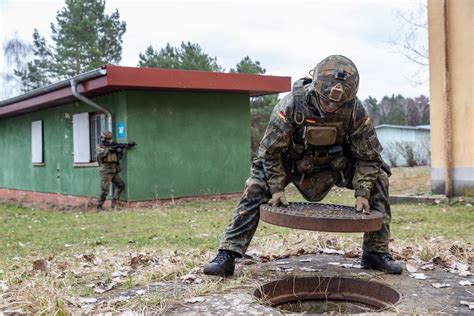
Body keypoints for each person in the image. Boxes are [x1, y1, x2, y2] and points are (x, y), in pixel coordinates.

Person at [203, 55, 402, 277]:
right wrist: (277, 187)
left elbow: (368, 157)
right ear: (315, 88)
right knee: (256, 185)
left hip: (335, 165)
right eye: (326, 100)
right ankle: (228, 253)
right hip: (292, 164)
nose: (331, 106)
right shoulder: (289, 105)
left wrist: (363, 192)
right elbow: (270, 153)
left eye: (338, 103)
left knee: (380, 179)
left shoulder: (356, 111)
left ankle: (376, 252)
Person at [96, 131, 135, 211]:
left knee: (120, 184)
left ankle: (114, 203)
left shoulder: (113, 144)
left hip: (114, 170)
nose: (109, 140)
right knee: (105, 190)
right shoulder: (100, 146)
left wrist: (119, 151)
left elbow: (118, 158)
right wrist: (109, 149)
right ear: (103, 139)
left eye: (110, 139)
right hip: (106, 170)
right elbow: (101, 155)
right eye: (107, 139)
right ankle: (99, 207)